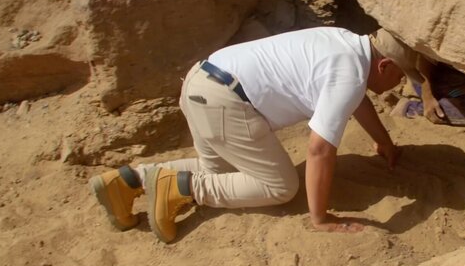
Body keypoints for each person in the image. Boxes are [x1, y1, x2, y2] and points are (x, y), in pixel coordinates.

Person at [89, 26, 409, 243]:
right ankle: (182, 188)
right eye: (402, 76)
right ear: (384, 66)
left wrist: (383, 140)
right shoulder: (350, 74)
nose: (401, 85)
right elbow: (319, 150)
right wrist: (320, 218)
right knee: (280, 186)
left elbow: (357, 100)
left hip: (200, 82)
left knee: (224, 173)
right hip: (229, 102)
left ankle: (129, 181)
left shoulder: (344, 39)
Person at [373, 30, 465, 127]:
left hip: (427, 70)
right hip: (431, 73)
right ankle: (411, 108)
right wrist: (427, 94)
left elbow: (423, 49)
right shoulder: (389, 45)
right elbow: (424, 52)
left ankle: (425, 102)